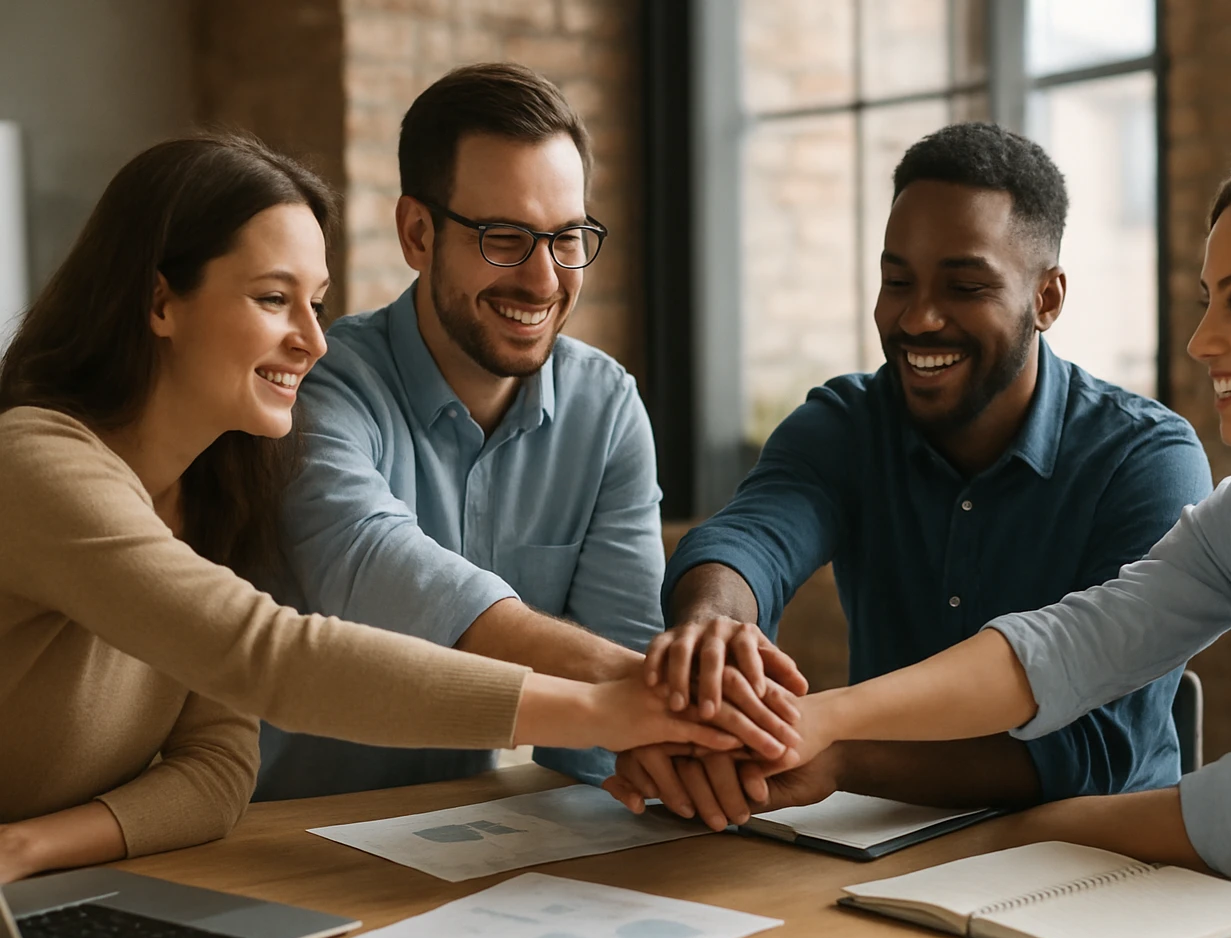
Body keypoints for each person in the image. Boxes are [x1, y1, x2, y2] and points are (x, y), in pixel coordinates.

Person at [651, 139, 1231, 921]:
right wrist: (817, 722)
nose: (1201, 341)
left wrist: (1017, 836)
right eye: (1207, 301)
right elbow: (1069, 646)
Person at [0, 133, 795, 885]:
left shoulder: (214, 494)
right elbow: (274, 658)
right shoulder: (36, 464)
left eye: (316, 303)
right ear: (160, 301)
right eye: (273, 298)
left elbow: (217, 768)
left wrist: (25, 847)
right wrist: (598, 708)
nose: (312, 341)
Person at [606, 123, 1212, 832]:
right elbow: (753, 538)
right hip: (880, 842)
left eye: (965, 286)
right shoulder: (847, 423)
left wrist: (837, 754)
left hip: (1096, 856)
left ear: (1046, 299)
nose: (918, 318)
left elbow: (1099, 751)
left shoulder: (1147, 462)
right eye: (897, 282)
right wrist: (712, 631)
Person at [254, 62, 793, 800]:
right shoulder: (317, 385)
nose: (543, 281)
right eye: (504, 238)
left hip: (462, 832)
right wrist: (658, 694)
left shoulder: (605, 409)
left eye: (567, 238)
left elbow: (610, 722)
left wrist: (663, 757)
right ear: (417, 233)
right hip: (279, 829)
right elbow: (378, 569)